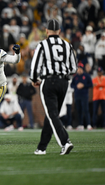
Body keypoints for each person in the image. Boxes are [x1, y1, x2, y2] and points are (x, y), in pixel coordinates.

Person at [30, 19, 77, 155]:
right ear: (59, 32)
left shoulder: (43, 45)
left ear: (46, 31)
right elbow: (73, 68)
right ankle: (41, 147)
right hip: (63, 83)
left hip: (49, 82)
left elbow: (34, 67)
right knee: (52, 115)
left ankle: (65, 141)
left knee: (52, 114)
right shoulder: (67, 45)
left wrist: (34, 79)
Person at [71, 62, 93, 130]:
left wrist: (83, 85)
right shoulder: (75, 77)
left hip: (84, 95)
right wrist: (76, 86)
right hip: (77, 95)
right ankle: (80, 124)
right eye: (78, 68)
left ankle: (88, 124)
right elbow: (72, 85)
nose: (79, 70)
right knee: (79, 110)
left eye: (80, 68)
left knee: (86, 110)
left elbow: (91, 85)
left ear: (82, 69)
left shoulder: (86, 76)